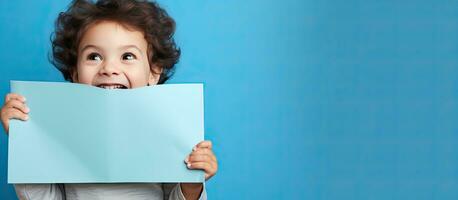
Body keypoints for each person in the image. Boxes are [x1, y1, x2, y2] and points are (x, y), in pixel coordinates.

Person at [0, 0, 218, 199]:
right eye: (94, 56)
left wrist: (191, 186)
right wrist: (25, 141)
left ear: (153, 71)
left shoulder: (168, 128)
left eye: (127, 56)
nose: (109, 69)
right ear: (75, 73)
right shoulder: (62, 130)